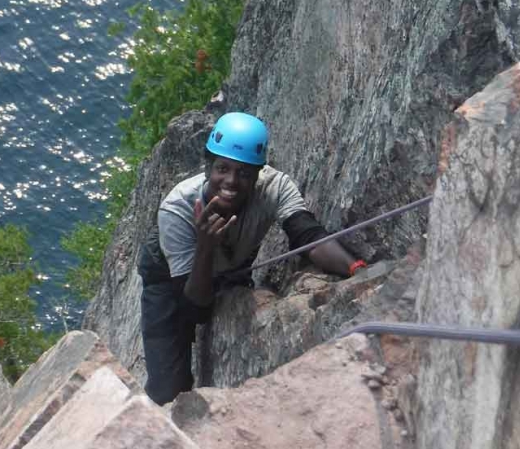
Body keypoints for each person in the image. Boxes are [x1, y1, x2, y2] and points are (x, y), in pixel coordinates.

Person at [138, 112, 366, 405]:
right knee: (168, 389)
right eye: (223, 168)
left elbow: (308, 236)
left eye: (244, 173)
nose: (231, 182)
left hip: (230, 263)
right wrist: (205, 246)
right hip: (168, 277)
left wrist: (356, 268)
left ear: (259, 172)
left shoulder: (274, 187)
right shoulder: (178, 210)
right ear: (208, 166)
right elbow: (195, 311)